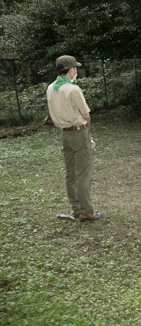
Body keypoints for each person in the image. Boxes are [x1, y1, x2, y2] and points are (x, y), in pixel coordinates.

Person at [46, 55, 102, 221]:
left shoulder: (51, 88)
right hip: (78, 132)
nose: (76, 71)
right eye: (75, 68)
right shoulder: (73, 89)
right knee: (83, 173)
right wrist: (88, 134)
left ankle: (76, 208)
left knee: (71, 173)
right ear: (71, 70)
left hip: (65, 134)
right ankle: (87, 211)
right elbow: (85, 114)